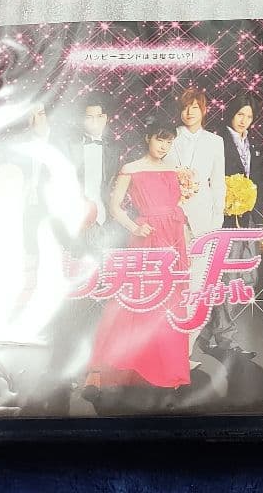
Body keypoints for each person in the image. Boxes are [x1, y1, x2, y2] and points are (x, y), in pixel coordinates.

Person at [85, 124, 191, 397]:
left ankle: (168, 368)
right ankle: (117, 365)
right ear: (148, 138)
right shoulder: (131, 168)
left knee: (171, 300)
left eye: (169, 142)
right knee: (139, 297)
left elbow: (178, 205)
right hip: (148, 235)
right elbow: (115, 207)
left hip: (174, 236)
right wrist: (135, 228)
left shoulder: (174, 169)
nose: (164, 146)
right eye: (160, 139)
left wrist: (186, 239)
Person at [200, 93, 263, 359]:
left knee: (249, 278)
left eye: (249, 116)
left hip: (248, 218)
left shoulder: (253, 144)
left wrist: (256, 213)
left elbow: (258, 180)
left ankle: (207, 332)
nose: (244, 120)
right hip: (224, 219)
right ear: (231, 114)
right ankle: (226, 339)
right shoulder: (218, 141)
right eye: (240, 114)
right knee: (228, 279)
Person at [171, 88, 225, 355]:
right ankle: (170, 348)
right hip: (173, 219)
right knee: (174, 281)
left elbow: (218, 183)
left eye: (194, 107)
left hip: (204, 221)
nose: (189, 112)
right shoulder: (170, 138)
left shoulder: (215, 142)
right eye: (185, 107)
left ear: (204, 110)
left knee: (198, 283)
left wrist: (217, 222)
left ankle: (187, 349)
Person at [65, 95, 121, 251]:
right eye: (89, 117)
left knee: (104, 258)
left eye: (99, 116)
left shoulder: (114, 149)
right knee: (74, 257)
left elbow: (113, 181)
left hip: (104, 214)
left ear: (106, 118)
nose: (95, 121)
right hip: (75, 214)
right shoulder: (69, 145)